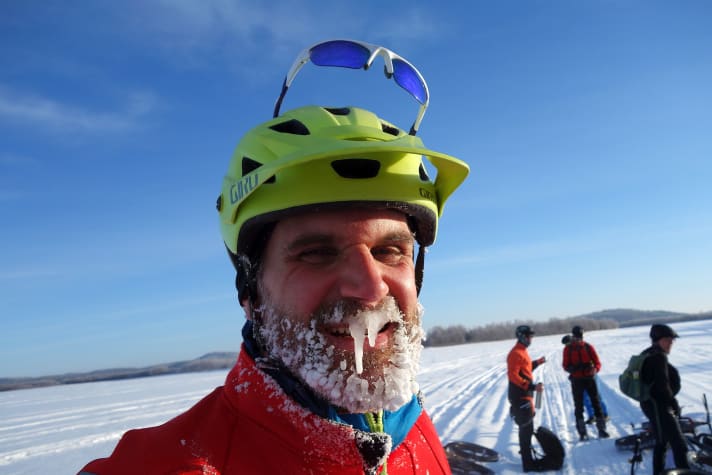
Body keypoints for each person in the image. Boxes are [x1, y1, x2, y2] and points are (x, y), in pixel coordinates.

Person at [78, 39, 469, 475]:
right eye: (317, 252)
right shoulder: (175, 464)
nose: (371, 285)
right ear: (251, 289)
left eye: (390, 250)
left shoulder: (410, 429)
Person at [640, 323, 689, 474]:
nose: (671, 343)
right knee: (679, 445)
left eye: (672, 340)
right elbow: (662, 385)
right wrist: (673, 403)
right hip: (658, 406)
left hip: (652, 405)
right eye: (668, 339)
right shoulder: (658, 357)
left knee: (662, 442)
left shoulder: (648, 353)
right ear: (657, 340)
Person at [507, 325, 547, 472]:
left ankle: (528, 460)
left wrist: (538, 362)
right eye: (529, 336)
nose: (531, 338)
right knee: (525, 429)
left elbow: (526, 368)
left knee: (528, 428)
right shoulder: (516, 353)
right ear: (522, 336)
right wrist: (531, 387)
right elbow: (513, 375)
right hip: (520, 395)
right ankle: (527, 465)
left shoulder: (522, 352)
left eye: (531, 336)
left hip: (525, 395)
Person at [562, 325, 609, 440]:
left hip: (589, 379)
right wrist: (571, 369)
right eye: (576, 338)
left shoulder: (588, 347)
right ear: (573, 336)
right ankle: (582, 432)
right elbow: (565, 365)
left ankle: (602, 429)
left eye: (580, 338)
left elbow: (597, 362)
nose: (578, 340)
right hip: (577, 380)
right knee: (578, 406)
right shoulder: (568, 349)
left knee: (596, 403)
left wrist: (595, 369)